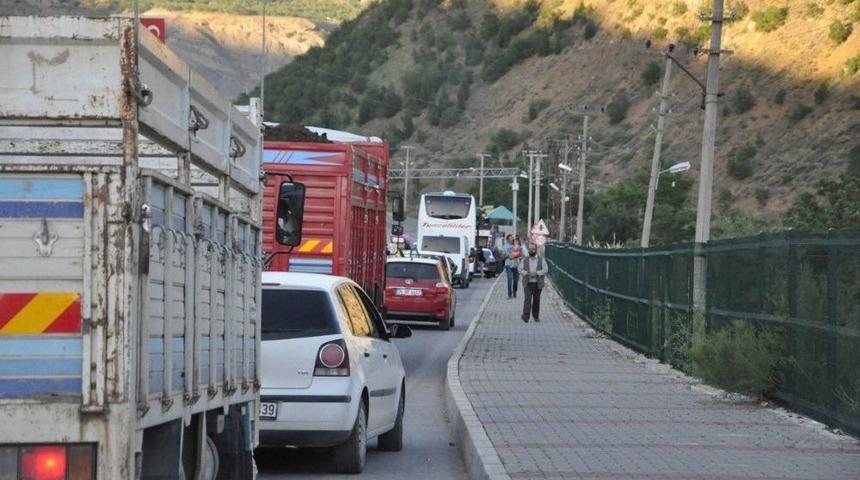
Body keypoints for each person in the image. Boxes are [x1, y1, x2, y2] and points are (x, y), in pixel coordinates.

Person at [519, 243, 547, 323]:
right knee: (527, 299)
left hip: (538, 283)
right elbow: (520, 269)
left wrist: (537, 273)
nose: (531, 250)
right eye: (530, 249)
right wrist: (527, 273)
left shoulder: (541, 259)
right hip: (527, 283)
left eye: (533, 249)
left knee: (536, 300)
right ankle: (526, 316)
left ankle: (536, 316)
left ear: (536, 250)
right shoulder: (525, 259)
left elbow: (545, 270)